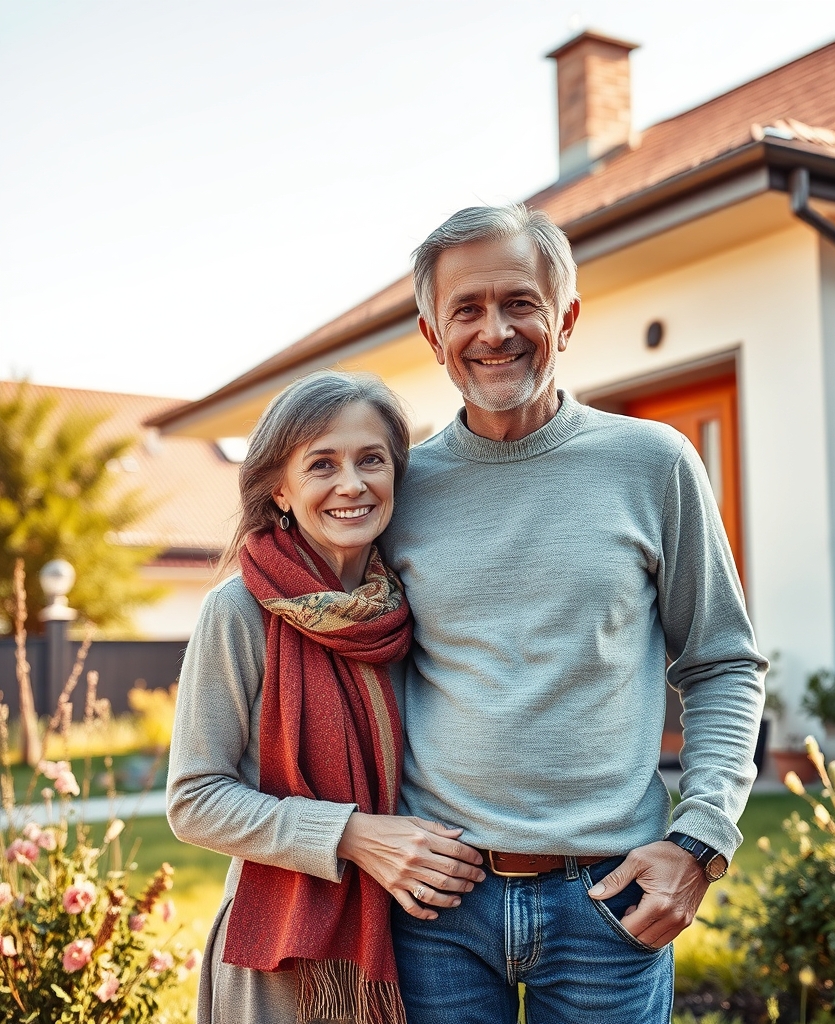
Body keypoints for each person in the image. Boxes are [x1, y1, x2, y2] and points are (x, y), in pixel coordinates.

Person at [379, 204, 768, 1024]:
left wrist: (700, 842)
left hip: (609, 900)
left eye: (520, 302)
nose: (495, 331)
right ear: (432, 334)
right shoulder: (399, 489)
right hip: (439, 904)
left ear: (566, 318)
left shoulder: (653, 463)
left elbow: (723, 663)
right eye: (466, 309)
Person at [167, 370, 485, 1024]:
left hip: (416, 942)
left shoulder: (409, 606)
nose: (351, 484)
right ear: (280, 489)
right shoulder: (240, 610)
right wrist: (351, 836)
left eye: (371, 460)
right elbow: (194, 799)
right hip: (281, 960)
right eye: (321, 464)